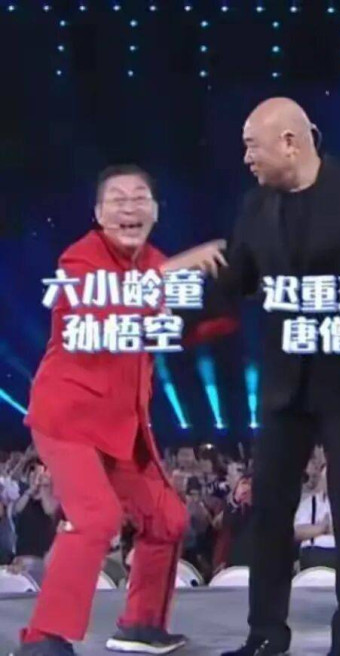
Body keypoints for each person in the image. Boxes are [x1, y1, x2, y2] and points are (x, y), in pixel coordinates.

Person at [189, 97, 340, 656]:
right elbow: (236, 284)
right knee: (270, 512)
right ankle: (266, 635)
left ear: (291, 142)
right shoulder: (256, 206)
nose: (246, 157)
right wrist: (175, 285)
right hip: (282, 385)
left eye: (253, 145)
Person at [14, 164, 227, 656]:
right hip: (67, 419)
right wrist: (177, 270)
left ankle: (141, 625)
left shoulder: (156, 263)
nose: (129, 208)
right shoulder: (79, 259)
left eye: (140, 198)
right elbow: (105, 308)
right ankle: (44, 638)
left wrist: (234, 300)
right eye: (118, 199)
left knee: (168, 520)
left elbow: (177, 329)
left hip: (123, 426)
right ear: (98, 213)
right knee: (96, 517)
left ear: (154, 212)